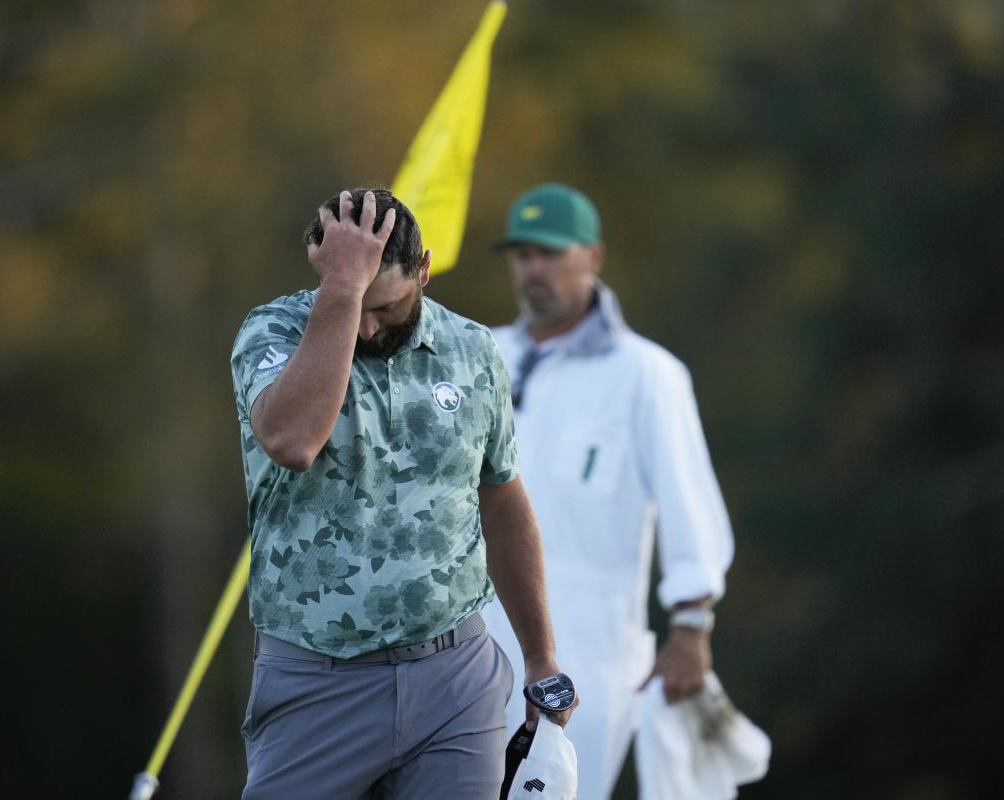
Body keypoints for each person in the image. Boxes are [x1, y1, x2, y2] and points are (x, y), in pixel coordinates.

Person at [229, 187, 575, 800]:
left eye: (383, 305)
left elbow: (502, 498)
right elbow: (293, 440)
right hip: (317, 679)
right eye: (351, 301)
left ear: (424, 270)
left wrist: (541, 656)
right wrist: (341, 294)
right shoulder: (274, 332)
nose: (365, 325)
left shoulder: (473, 349)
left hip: (455, 677)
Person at [482, 183, 737, 799]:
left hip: (586, 658)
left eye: (549, 252)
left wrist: (691, 625)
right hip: (469, 647)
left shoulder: (646, 375)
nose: (533, 268)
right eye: (522, 254)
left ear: (592, 257)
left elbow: (690, 505)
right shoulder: (478, 352)